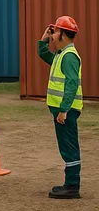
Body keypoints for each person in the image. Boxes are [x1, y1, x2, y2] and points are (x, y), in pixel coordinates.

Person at [39, 16, 83, 199]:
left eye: (56, 31)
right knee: (66, 146)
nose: (53, 35)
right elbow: (45, 55)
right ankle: (70, 183)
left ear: (63, 35)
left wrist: (64, 109)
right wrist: (43, 40)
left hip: (67, 111)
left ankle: (72, 186)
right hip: (62, 110)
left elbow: (72, 84)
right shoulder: (61, 54)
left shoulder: (69, 56)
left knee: (69, 147)